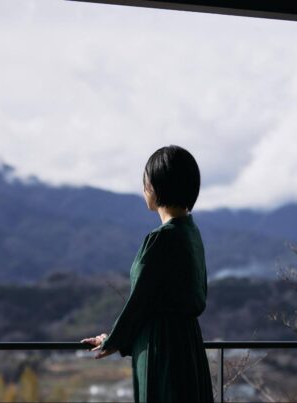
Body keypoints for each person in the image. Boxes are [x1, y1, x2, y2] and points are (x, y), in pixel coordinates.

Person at [81, 145, 214, 403]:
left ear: (155, 186)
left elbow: (141, 301)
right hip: (189, 346)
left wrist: (113, 340)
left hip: (162, 350)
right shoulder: (191, 233)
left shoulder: (161, 239)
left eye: (146, 182)